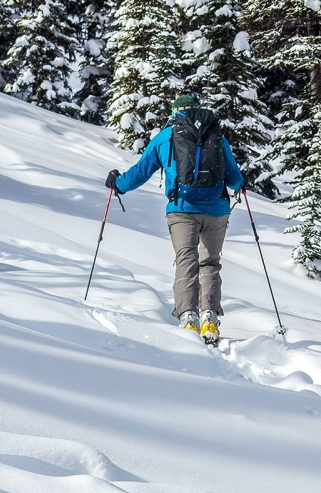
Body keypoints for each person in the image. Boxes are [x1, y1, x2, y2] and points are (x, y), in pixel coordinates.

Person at [105, 94, 245, 345]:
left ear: (175, 113)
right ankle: (209, 316)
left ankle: (188, 316)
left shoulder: (166, 136)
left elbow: (140, 172)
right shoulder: (217, 136)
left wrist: (118, 184)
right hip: (216, 210)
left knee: (186, 260)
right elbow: (235, 178)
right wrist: (240, 184)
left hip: (182, 210)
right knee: (210, 263)